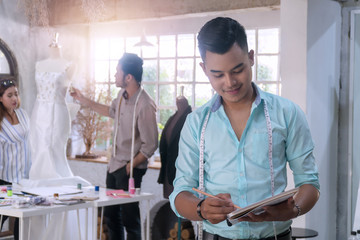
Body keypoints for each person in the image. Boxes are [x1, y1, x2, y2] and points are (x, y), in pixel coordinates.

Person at [169, 17, 320, 240]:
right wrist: (202, 209)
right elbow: (180, 193)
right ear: (204, 69)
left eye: (237, 69)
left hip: (276, 236)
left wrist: (292, 209)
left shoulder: (287, 113)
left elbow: (309, 183)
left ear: (251, 58)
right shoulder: (196, 123)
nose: (229, 82)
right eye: (217, 75)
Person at [71, 52, 158, 240]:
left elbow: (150, 145)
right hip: (114, 165)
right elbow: (109, 111)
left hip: (129, 169)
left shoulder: (145, 105)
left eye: (118, 71)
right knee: (111, 216)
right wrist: (82, 99)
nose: (115, 75)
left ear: (129, 77)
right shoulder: (121, 95)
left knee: (130, 219)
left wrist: (131, 165)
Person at [29, 33, 74, 179]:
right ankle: (39, 179)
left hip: (58, 110)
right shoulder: (39, 64)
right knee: (39, 146)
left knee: (54, 147)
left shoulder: (69, 65)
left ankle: (56, 179)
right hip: (39, 111)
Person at [0, 78, 31, 240]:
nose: (14, 99)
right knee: (2, 217)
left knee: (23, 220)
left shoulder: (23, 114)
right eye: (9, 95)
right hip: (4, 180)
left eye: (16, 94)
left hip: (25, 179)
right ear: (0, 98)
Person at [158, 94, 191, 198]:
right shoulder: (172, 118)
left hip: (181, 171)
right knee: (169, 204)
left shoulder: (190, 119)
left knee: (180, 202)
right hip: (168, 169)